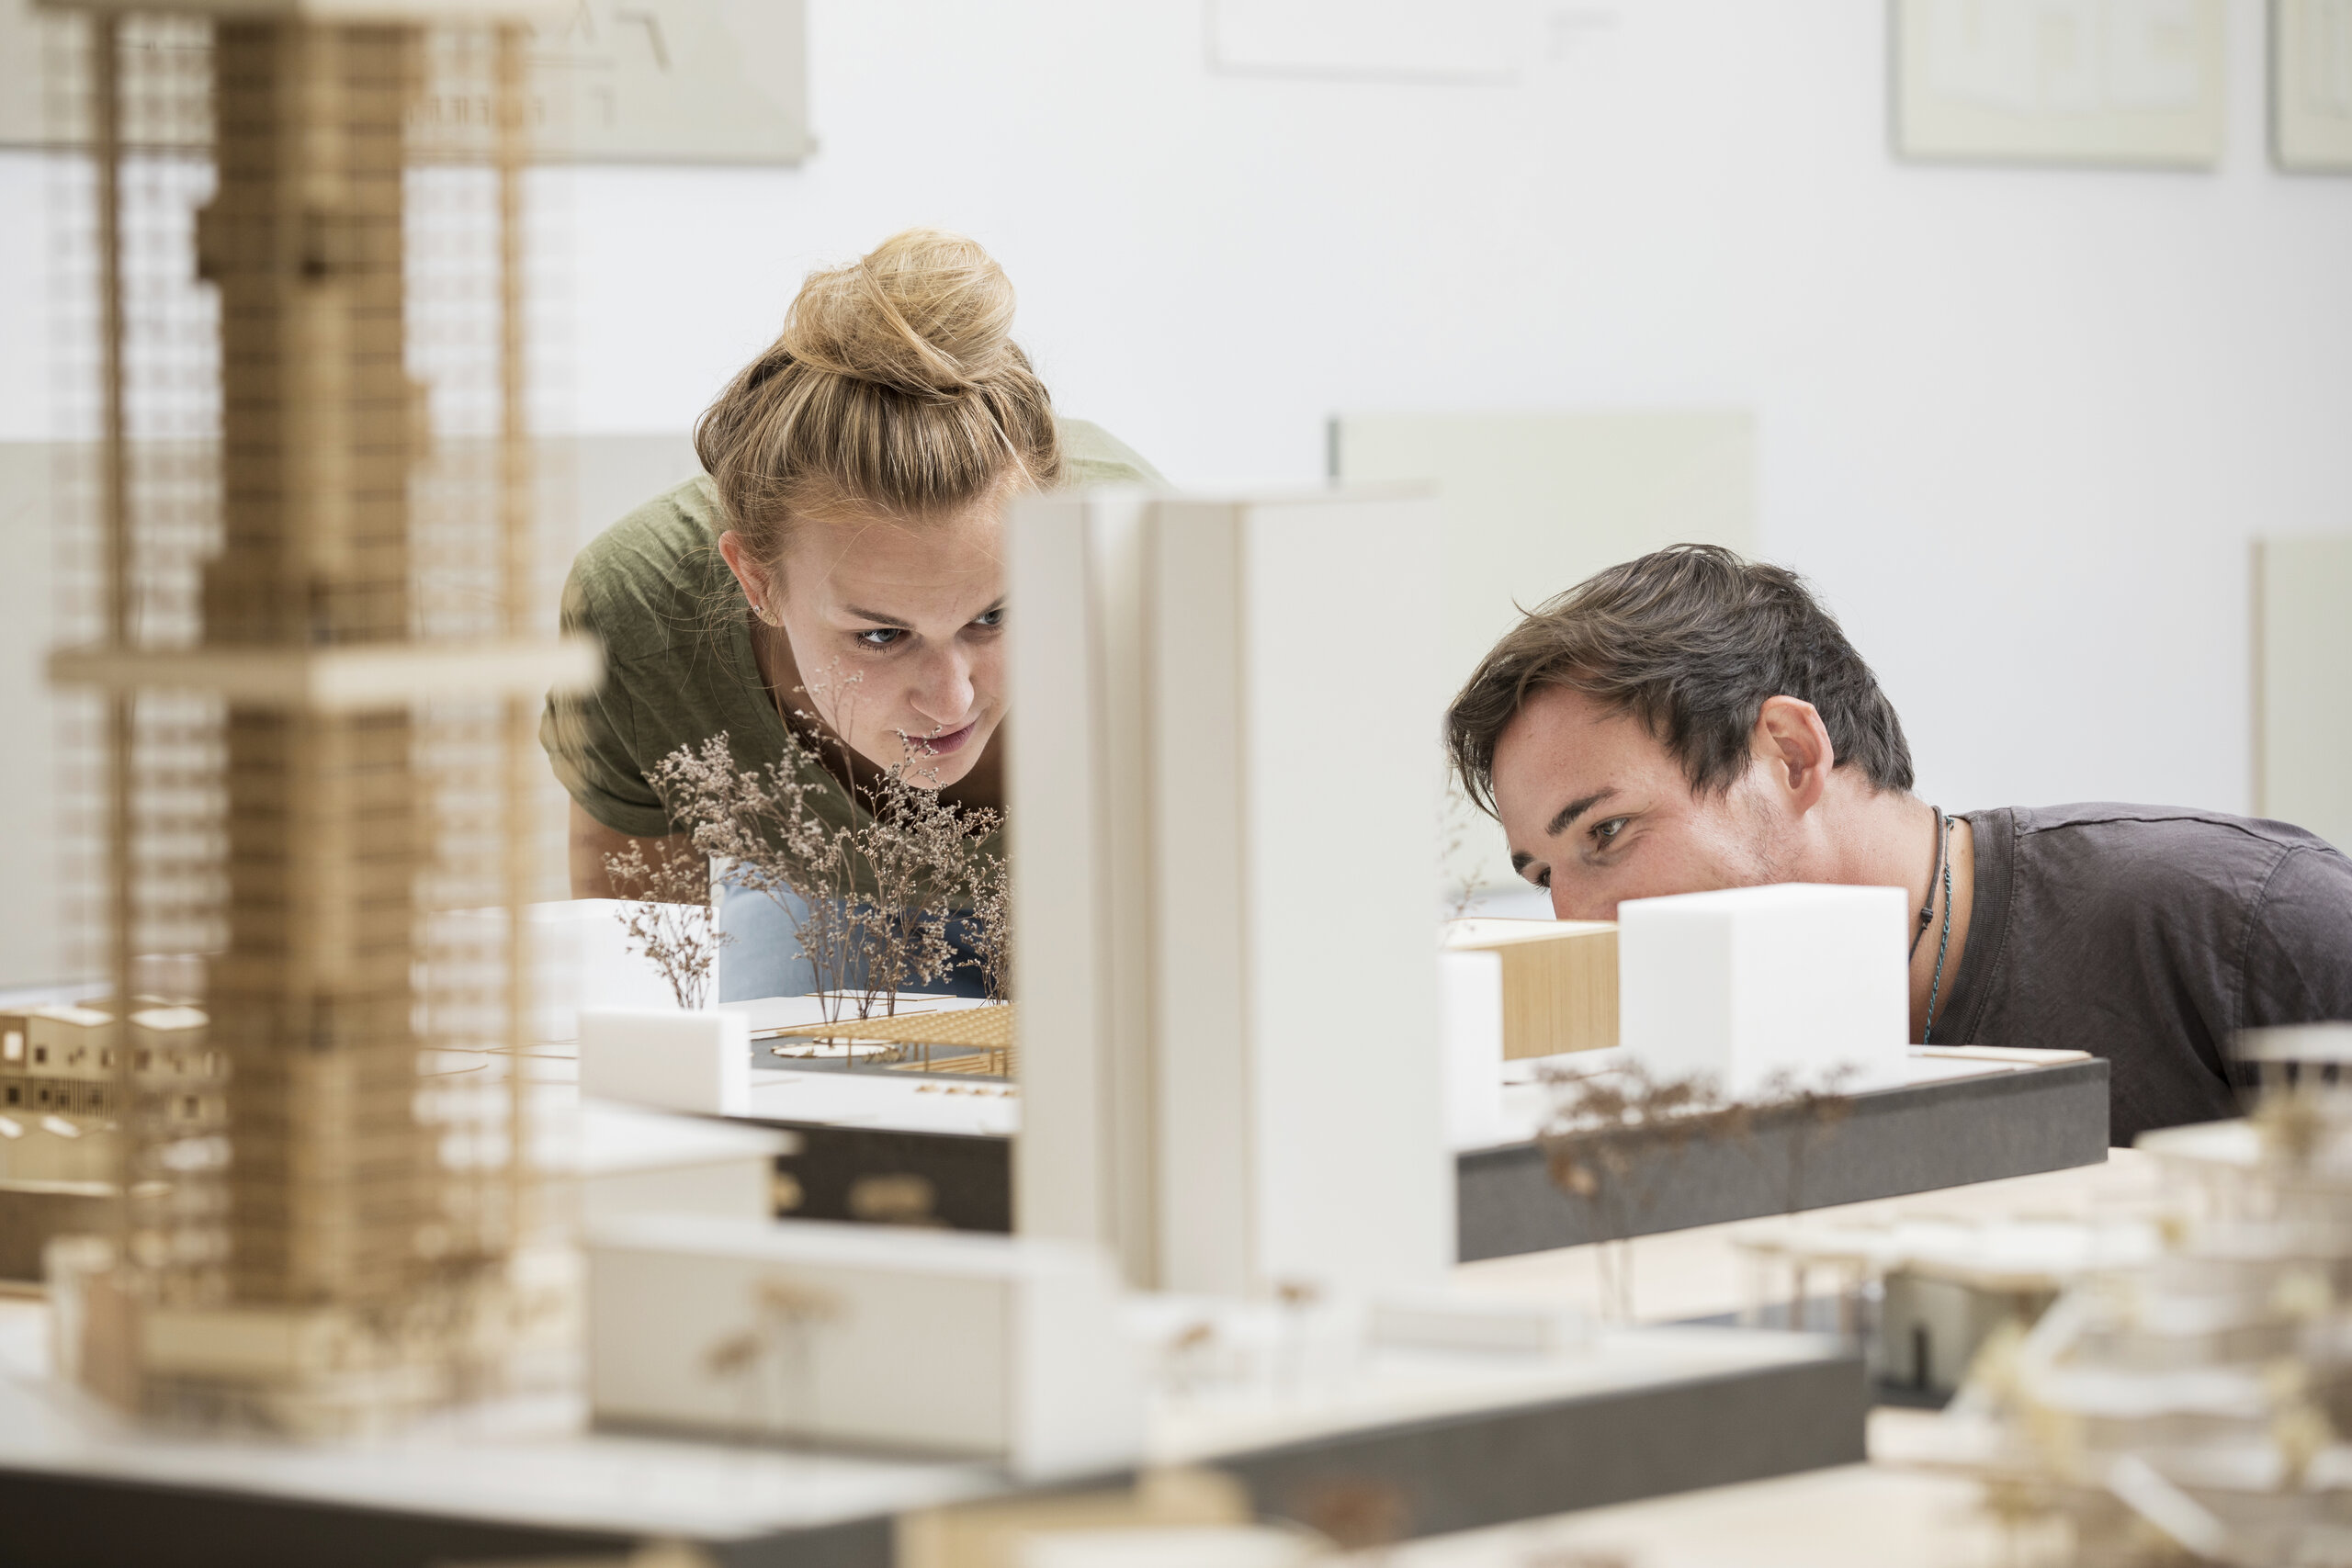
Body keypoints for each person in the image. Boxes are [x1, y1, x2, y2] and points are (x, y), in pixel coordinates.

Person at [1444, 544, 2352, 1145]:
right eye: (1541, 875)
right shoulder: (1700, 1049)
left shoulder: (2239, 919)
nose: (1576, 915)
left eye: (1606, 831)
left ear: (1791, 757)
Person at [543, 229, 1160, 998]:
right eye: (880, 634)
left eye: (995, 616)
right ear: (755, 579)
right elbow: (639, 983)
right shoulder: (639, 611)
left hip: (1078, 879)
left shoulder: (1143, 565)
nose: (953, 699)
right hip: (805, 890)